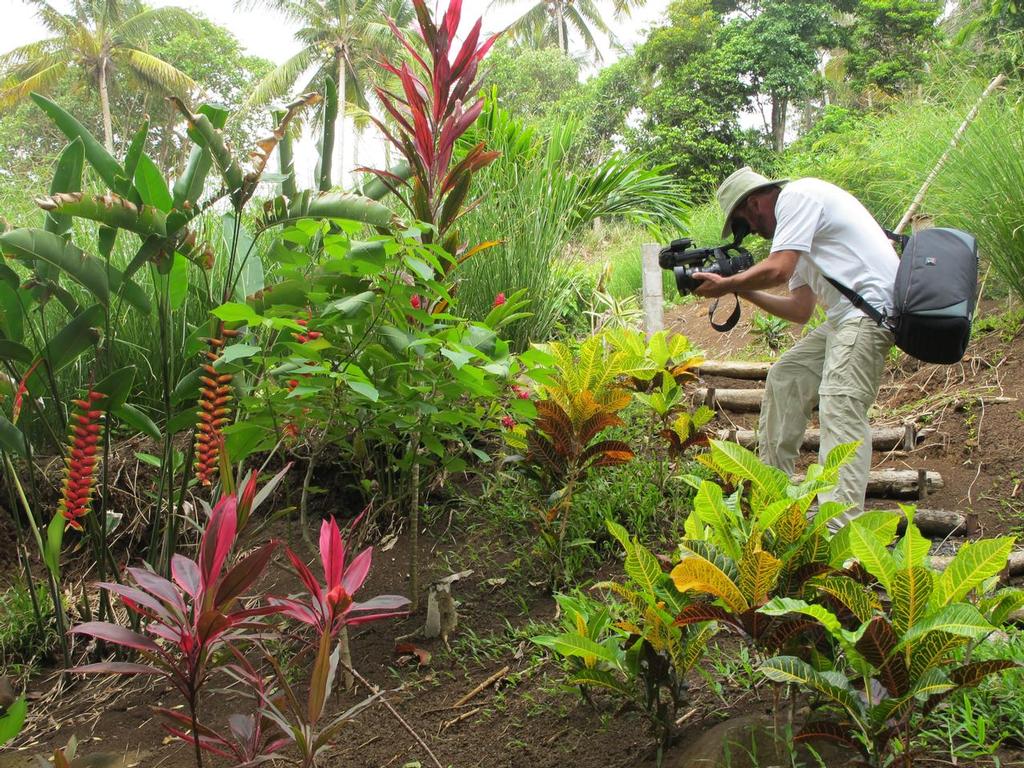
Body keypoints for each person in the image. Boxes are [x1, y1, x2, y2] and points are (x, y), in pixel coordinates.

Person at [692, 167, 897, 518]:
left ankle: (839, 537)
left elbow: (779, 269)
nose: (751, 232)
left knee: (840, 409)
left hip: (871, 313)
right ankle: (772, 501)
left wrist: (726, 283)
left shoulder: (798, 197)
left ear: (754, 204)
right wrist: (740, 288)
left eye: (745, 224)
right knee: (786, 377)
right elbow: (801, 309)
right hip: (846, 318)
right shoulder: (796, 233)